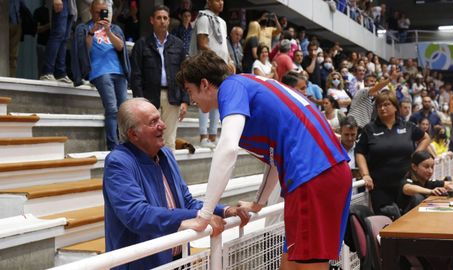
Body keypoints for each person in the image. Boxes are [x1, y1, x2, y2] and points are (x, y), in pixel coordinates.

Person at [176, 50, 352, 270]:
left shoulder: (231, 88)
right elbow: (273, 159)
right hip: (323, 172)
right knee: (289, 265)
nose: (190, 99)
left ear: (204, 84)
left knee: (306, 266)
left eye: (189, 90)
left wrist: (204, 215)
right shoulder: (248, 84)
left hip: (313, 175)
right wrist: (258, 203)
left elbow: (227, 149)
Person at [103, 98, 249, 269]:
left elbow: (186, 201)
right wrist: (196, 217)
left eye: (159, 118)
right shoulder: (118, 162)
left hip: (178, 258)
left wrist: (225, 210)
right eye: (153, 122)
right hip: (142, 263)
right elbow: (137, 215)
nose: (163, 125)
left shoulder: (166, 154)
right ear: (133, 134)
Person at [355, 90, 430, 217]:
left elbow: (426, 138)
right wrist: (365, 174)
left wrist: (415, 157)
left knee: (411, 219)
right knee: (388, 221)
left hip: (405, 185)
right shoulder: (370, 129)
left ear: (395, 107)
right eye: (379, 106)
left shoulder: (407, 126)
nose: (382, 108)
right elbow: (359, 152)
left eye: (386, 104)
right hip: (380, 187)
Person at [72, 0, 130, 150]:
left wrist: (108, 31)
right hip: (100, 72)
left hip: (119, 72)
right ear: (91, 12)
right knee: (112, 108)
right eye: (98, 12)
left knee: (124, 110)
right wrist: (92, 31)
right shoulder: (84, 28)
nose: (101, 15)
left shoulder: (115, 28)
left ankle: (125, 143)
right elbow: (84, 50)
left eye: (104, 11)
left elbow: (120, 46)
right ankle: (113, 146)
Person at [130, 5, 188, 150]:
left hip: (172, 97)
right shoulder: (142, 44)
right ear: (151, 20)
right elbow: (135, 76)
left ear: (169, 21)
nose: (162, 21)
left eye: (165, 18)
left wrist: (185, 100)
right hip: (149, 99)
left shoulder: (178, 45)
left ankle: (167, 173)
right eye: (158, 18)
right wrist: (140, 101)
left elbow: (186, 74)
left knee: (169, 142)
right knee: (149, 141)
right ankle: (151, 172)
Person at [189, 0, 234, 148]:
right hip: (207, 64)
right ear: (208, 1)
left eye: (222, 0)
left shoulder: (223, 22)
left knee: (218, 100)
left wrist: (229, 61)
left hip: (221, 66)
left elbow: (223, 46)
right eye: (217, 0)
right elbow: (202, 44)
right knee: (205, 99)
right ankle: (203, 136)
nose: (221, 2)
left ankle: (213, 137)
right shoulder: (203, 17)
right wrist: (219, 60)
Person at [39, 0, 76, 83]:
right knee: (58, 34)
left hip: (70, 3)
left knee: (65, 38)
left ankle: (60, 73)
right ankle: (47, 72)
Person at [33, 0, 51, 76]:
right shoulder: (39, 11)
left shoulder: (59, 11)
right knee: (42, 71)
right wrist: (50, 25)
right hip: (42, 44)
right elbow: (37, 29)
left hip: (55, 46)